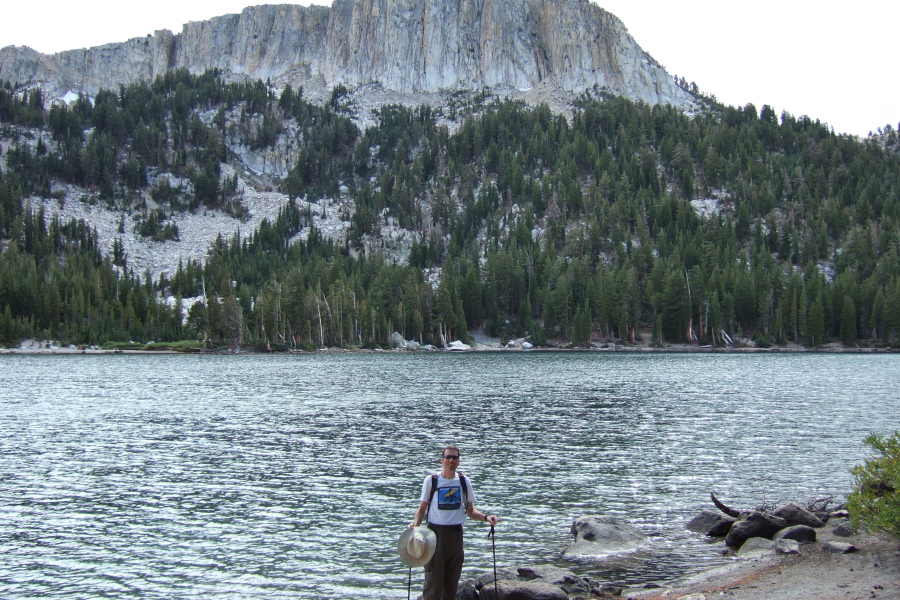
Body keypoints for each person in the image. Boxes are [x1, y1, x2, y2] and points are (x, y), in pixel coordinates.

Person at [409, 444, 498, 600]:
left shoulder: (464, 481)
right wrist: (415, 525)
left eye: (454, 457)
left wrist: (486, 518)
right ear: (442, 460)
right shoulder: (431, 481)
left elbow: (470, 511)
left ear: (458, 461)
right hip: (434, 535)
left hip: (456, 535)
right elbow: (422, 509)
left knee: (451, 586)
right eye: (448, 457)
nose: (451, 460)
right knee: (433, 584)